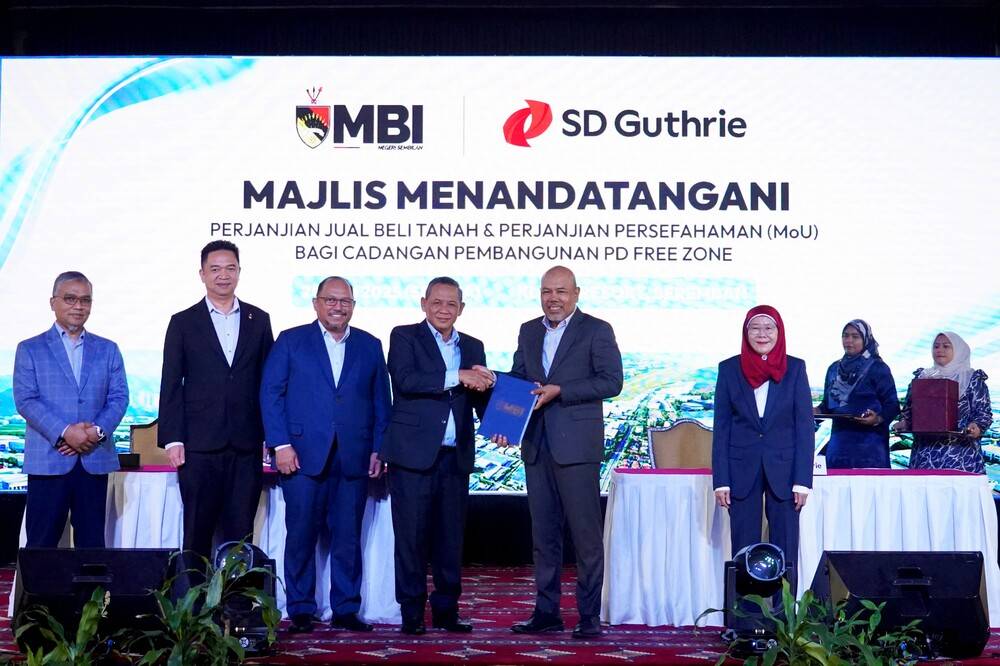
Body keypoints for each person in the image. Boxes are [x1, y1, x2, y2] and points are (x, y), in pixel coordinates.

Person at [493, 266, 623, 640]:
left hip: (577, 447)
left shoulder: (597, 330)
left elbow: (612, 381)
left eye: (561, 292)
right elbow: (520, 380)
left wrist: (559, 389)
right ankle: (546, 612)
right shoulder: (528, 330)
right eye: (547, 291)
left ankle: (588, 616)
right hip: (536, 444)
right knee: (543, 535)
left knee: (585, 537)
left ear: (576, 294)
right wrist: (499, 400)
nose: (553, 298)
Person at [260, 276, 391, 634]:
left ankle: (347, 608)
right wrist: (281, 444)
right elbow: (270, 394)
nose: (338, 307)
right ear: (316, 303)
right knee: (300, 534)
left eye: (345, 301)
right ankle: (301, 607)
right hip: (300, 456)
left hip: (355, 456)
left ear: (353, 305)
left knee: (348, 537)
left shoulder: (370, 345)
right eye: (330, 300)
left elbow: (382, 402)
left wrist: (379, 448)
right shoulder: (290, 341)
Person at [380, 277, 493, 635]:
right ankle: (411, 613)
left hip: (454, 458)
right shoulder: (404, 337)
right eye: (437, 303)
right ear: (424, 303)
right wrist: (457, 375)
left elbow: (478, 398)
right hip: (412, 458)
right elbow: (407, 379)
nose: (444, 310)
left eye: (451, 304)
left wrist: (502, 418)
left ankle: (447, 611)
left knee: (450, 539)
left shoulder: (474, 345)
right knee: (411, 538)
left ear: (462, 308)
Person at [158, 240, 274, 562]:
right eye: (215, 269)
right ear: (202, 274)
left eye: (230, 268)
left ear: (239, 272)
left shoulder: (259, 319)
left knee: (241, 535)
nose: (223, 275)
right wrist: (172, 439)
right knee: (196, 531)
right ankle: (194, 609)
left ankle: (235, 608)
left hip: (245, 444)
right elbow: (171, 383)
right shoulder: (183, 322)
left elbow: (269, 384)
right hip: (198, 446)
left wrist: (271, 436)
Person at [13, 271, 129, 547]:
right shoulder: (30, 349)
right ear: (53, 302)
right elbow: (26, 400)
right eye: (70, 299)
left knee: (92, 548)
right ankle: (39, 594)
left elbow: (119, 397)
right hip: (48, 461)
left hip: (93, 461)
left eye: (86, 300)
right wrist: (66, 432)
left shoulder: (108, 349)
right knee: (41, 546)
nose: (79, 306)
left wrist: (94, 434)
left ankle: (91, 594)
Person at [712, 305, 814, 571]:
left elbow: (804, 427)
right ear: (746, 333)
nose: (762, 334)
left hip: (785, 471)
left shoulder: (795, 368)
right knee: (743, 548)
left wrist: (802, 482)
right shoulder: (729, 369)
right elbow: (721, 428)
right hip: (741, 470)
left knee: (786, 547)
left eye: (768, 328)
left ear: (779, 332)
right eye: (755, 328)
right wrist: (720, 480)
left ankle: (784, 611)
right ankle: (744, 612)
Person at [893, 332, 992, 473]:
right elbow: (909, 410)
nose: (939, 350)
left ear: (958, 350)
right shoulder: (922, 377)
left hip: (961, 457)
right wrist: (904, 423)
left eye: (946, 346)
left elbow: (983, 413)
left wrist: (976, 427)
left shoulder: (973, 379)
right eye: (936, 346)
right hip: (925, 455)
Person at [815, 319, 899, 468]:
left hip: (870, 448)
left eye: (855, 336)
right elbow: (828, 406)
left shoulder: (878, 368)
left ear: (866, 339)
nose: (849, 341)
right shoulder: (834, 369)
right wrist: (815, 411)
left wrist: (877, 419)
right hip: (839, 446)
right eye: (845, 336)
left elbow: (892, 405)